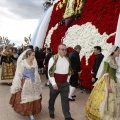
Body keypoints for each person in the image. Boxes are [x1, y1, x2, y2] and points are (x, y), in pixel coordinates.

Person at [85, 46, 120, 120]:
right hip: (107, 81)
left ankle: (112, 115)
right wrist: (107, 85)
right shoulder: (108, 60)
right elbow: (106, 73)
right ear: (113, 51)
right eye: (118, 51)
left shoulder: (114, 59)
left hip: (114, 80)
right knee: (105, 98)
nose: (119, 52)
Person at [9, 49, 42, 120]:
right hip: (25, 83)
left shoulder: (34, 63)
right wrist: (19, 84)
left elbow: (36, 74)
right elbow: (18, 75)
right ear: (28, 55)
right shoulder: (22, 63)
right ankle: (30, 113)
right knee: (26, 98)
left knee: (33, 97)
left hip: (33, 83)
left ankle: (31, 112)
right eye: (33, 55)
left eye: (34, 55)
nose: (34, 57)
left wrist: (37, 82)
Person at [48, 44, 74, 120]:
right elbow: (50, 72)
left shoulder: (67, 59)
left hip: (64, 84)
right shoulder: (53, 58)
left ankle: (67, 116)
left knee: (65, 100)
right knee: (52, 99)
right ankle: (51, 111)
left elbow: (69, 71)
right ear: (58, 49)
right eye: (63, 49)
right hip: (55, 84)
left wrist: (67, 81)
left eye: (65, 50)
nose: (65, 51)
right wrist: (53, 83)